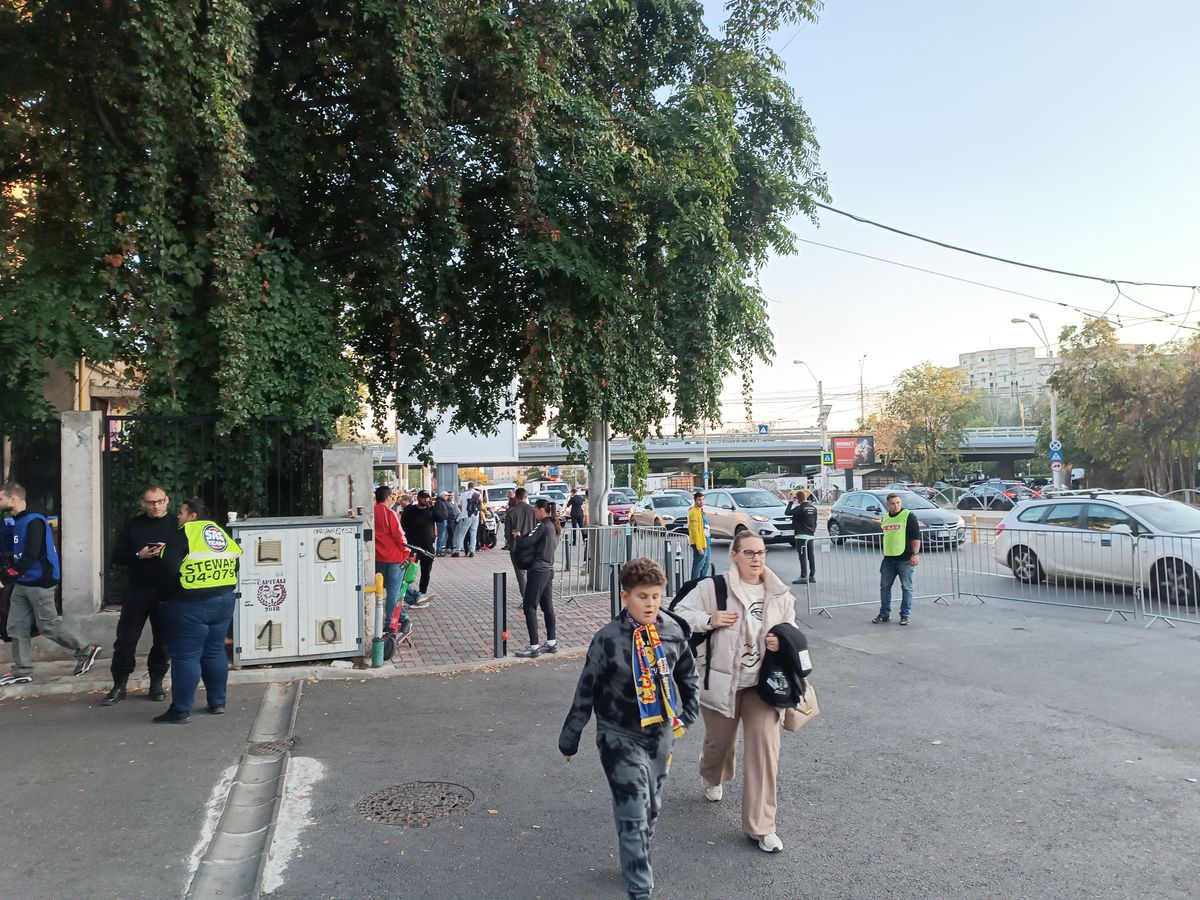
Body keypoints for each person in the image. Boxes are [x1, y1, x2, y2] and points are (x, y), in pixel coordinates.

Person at [559, 557, 700, 900]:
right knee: (634, 810)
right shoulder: (607, 639)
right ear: (625, 597)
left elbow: (688, 675)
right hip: (618, 736)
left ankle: (633, 856)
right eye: (642, 596)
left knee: (651, 807)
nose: (651, 604)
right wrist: (570, 739)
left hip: (661, 734)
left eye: (656, 596)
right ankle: (640, 888)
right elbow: (586, 690)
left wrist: (689, 712)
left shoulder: (672, 630)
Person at [673, 530, 796, 853]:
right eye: (750, 553)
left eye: (761, 553)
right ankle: (712, 774)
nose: (757, 559)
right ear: (734, 555)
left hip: (764, 684)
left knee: (765, 749)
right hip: (722, 680)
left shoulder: (778, 592)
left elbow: (792, 629)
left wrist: (782, 639)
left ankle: (761, 826)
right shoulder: (712, 588)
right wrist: (710, 619)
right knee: (721, 743)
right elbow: (678, 616)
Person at [0, 482, 102, 686]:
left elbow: (31, 556)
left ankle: (85, 648)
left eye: (1, 498)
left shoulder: (34, 521)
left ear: (13, 499)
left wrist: (6, 577)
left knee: (48, 626)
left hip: (40, 582)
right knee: (16, 626)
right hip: (23, 583)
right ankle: (21, 670)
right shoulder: (17, 520)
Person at [154, 497, 242, 723]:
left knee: (186, 656)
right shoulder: (219, 532)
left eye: (182, 513)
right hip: (224, 600)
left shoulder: (184, 533)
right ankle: (217, 703)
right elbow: (236, 561)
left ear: (192, 516)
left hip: (191, 603)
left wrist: (176, 590)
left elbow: (168, 566)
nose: (178, 516)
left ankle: (180, 710)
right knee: (214, 651)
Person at [103, 485, 176, 705]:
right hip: (138, 588)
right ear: (143, 503)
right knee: (126, 639)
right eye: (151, 502)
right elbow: (117, 556)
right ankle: (119, 685)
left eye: (160, 501)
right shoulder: (133, 525)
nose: (156, 506)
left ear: (167, 501)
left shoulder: (177, 524)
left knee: (163, 640)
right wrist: (139, 555)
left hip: (166, 588)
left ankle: (156, 683)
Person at [511, 498, 560, 658]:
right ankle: (551, 642)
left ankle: (534, 646)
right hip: (548, 569)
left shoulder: (542, 525)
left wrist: (518, 537)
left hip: (538, 570)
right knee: (547, 607)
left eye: (535, 510)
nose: (534, 513)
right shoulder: (552, 525)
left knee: (529, 607)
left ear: (540, 510)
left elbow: (527, 541)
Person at [872, 492, 921, 626]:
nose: (896, 505)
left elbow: (916, 537)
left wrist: (915, 554)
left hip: (904, 559)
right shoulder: (886, 517)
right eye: (893, 503)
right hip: (888, 559)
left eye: (898, 502)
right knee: (885, 587)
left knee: (906, 588)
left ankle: (905, 615)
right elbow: (889, 530)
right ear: (888, 505)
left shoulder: (908, 515)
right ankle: (884, 614)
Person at [373, 486, 412, 639]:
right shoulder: (390, 513)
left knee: (385, 590)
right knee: (394, 592)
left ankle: (403, 617)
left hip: (378, 558)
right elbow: (399, 536)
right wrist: (407, 552)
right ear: (389, 497)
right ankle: (390, 623)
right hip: (396, 558)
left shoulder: (371, 513)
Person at [401, 490, 437, 604]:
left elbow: (442, 517)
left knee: (426, 571)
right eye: (422, 497)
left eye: (427, 497)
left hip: (428, 547)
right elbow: (403, 525)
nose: (425, 500)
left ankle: (422, 593)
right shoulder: (410, 510)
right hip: (412, 547)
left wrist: (432, 508)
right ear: (418, 498)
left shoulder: (430, 510)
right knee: (405, 571)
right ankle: (405, 594)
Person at [504, 487, 535, 597]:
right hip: (532, 546)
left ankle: (526, 598)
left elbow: (507, 533)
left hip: (516, 547)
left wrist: (510, 542)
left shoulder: (511, 512)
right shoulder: (533, 510)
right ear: (526, 497)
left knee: (521, 575)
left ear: (516, 497)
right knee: (532, 573)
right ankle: (533, 597)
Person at [785, 489, 818, 585]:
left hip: (801, 535)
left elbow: (787, 512)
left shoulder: (799, 509)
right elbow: (815, 522)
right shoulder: (813, 508)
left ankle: (803, 576)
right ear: (805, 497)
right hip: (810, 535)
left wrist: (791, 502)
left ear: (798, 499)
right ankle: (812, 576)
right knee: (811, 555)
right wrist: (812, 530)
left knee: (802, 556)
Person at [452, 482, 481, 557]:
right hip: (475, 516)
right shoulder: (478, 493)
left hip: (466, 516)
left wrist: (463, 512)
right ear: (473, 486)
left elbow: (459, 505)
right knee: (473, 534)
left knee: (461, 534)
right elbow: (480, 505)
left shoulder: (463, 494)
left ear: (467, 487)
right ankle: (472, 551)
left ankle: (457, 550)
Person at [687, 491, 710, 580]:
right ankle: (693, 584)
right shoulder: (694, 512)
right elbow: (694, 530)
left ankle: (701, 582)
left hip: (706, 541)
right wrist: (699, 546)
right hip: (699, 542)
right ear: (695, 500)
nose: (701, 501)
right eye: (699, 500)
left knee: (706, 564)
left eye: (703, 499)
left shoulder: (701, 511)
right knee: (698, 565)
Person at [433, 490, 455, 556]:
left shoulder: (441, 501)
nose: (447, 497)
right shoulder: (439, 502)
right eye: (446, 495)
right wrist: (443, 518)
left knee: (441, 536)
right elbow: (438, 511)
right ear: (442, 495)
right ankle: (439, 550)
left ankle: (439, 550)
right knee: (441, 536)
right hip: (441, 521)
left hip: (442, 520)